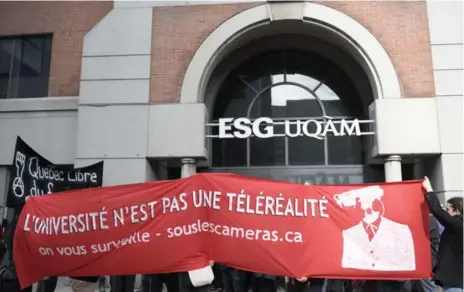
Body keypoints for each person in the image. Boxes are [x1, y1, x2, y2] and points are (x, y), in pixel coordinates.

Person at [422, 177, 463, 292]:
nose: (445, 211)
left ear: (457, 211)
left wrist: (429, 189)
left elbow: (437, 211)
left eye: (448, 208)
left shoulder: (458, 225)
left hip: (455, 281)